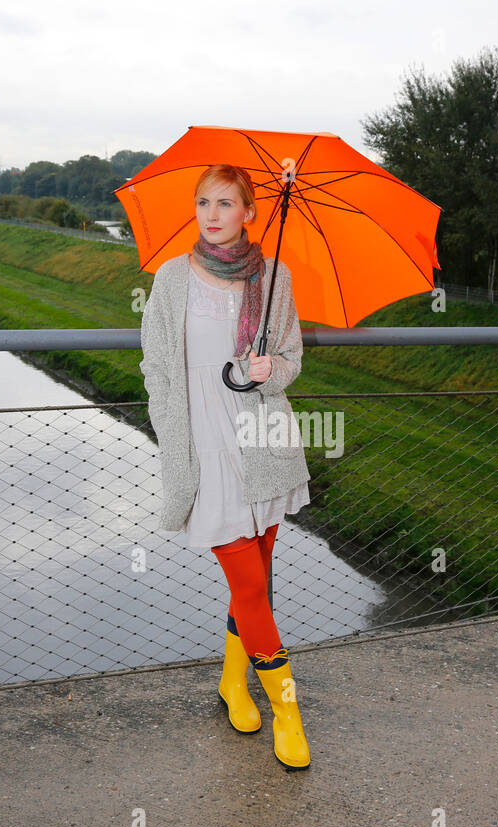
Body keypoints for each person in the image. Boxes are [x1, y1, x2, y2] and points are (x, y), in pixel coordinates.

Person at [138, 164, 313, 770]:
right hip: (204, 446)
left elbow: (291, 355)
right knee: (249, 586)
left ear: (249, 213)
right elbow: (156, 367)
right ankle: (288, 711)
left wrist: (272, 370)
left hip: (262, 440)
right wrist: (172, 432)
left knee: (257, 583)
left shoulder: (274, 278)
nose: (211, 214)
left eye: (225, 204)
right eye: (203, 202)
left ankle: (233, 683)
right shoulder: (170, 280)